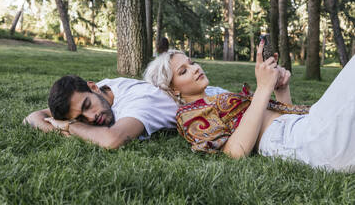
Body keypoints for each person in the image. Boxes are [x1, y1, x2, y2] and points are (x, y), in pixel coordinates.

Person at [143, 41, 355, 172]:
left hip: (302, 131)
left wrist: (280, 88)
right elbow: (234, 152)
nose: (195, 68)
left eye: (191, 62)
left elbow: (281, 117)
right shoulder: (188, 115)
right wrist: (263, 88)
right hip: (305, 141)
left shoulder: (216, 97)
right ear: (173, 90)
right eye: (183, 71)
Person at [24, 75, 227, 149]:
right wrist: (61, 126)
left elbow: (112, 141)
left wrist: (70, 126)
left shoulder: (138, 101)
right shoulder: (98, 94)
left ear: (93, 87)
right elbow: (32, 118)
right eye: (80, 118)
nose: (91, 118)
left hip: (220, 104)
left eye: (87, 106)